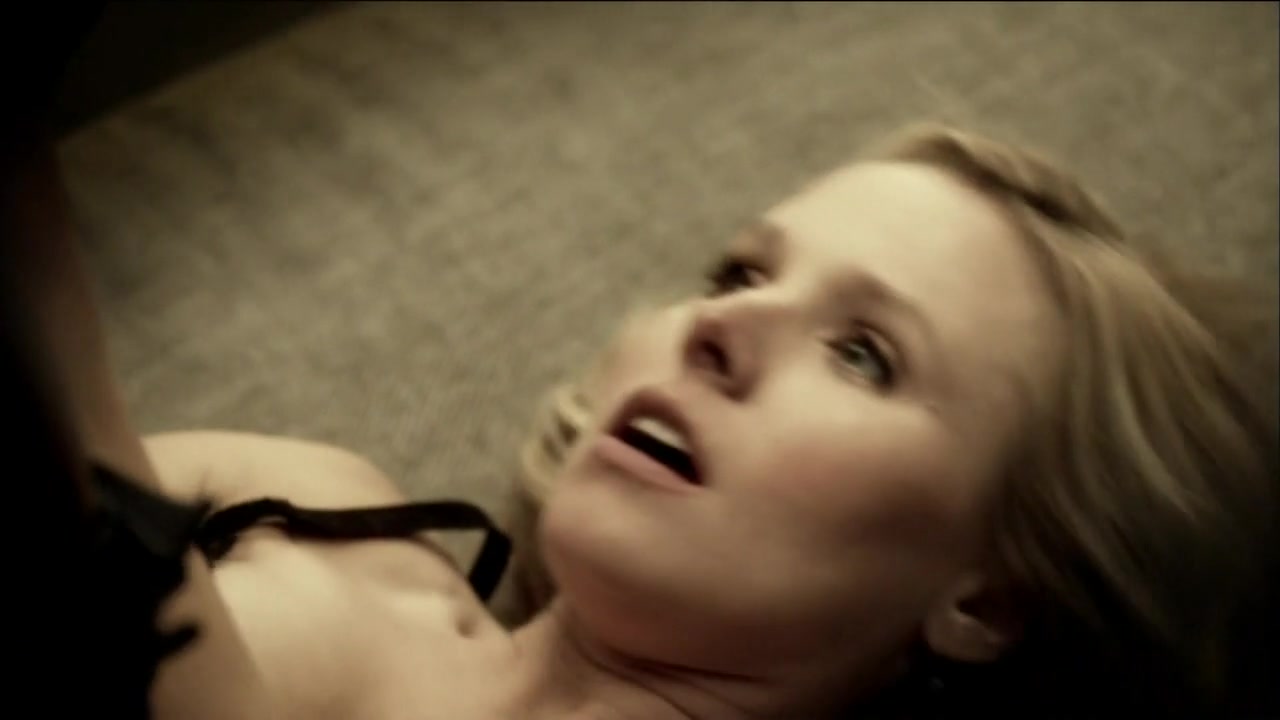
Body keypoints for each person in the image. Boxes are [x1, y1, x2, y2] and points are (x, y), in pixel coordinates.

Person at [6, 110, 1276, 718]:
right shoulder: (328, 503)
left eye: (863, 355)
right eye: (738, 273)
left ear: (985, 602)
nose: (723, 324)